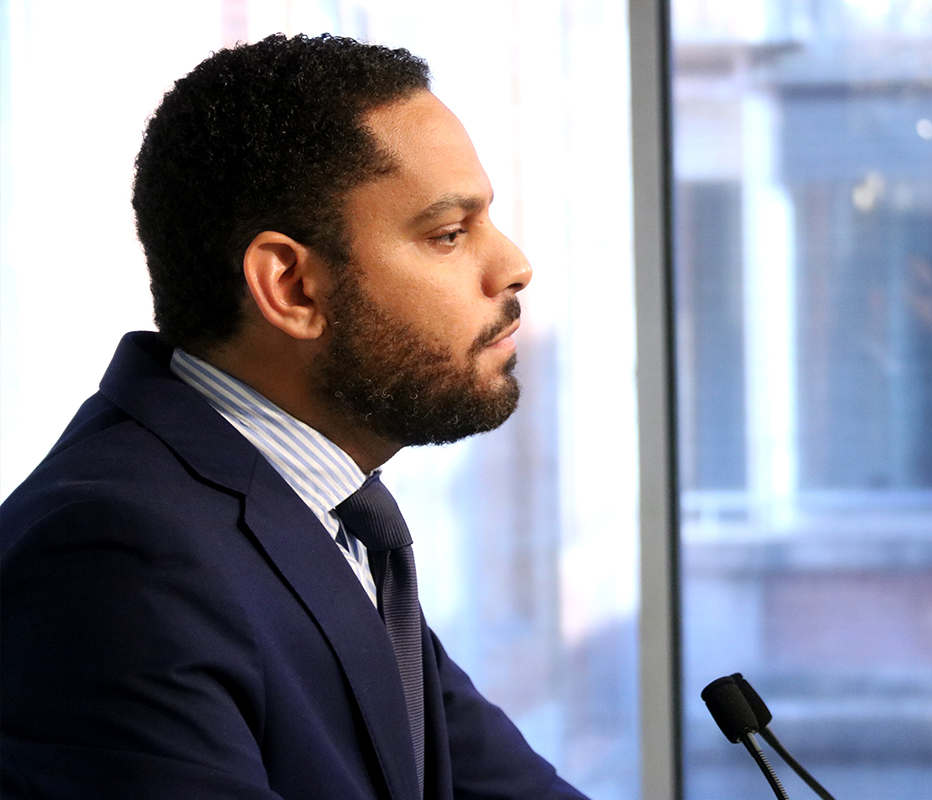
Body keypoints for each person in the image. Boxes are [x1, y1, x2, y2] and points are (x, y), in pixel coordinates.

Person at [0, 33, 588, 800]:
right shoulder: (114, 555)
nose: (513, 265)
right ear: (292, 288)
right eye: (449, 234)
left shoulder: (331, 511)